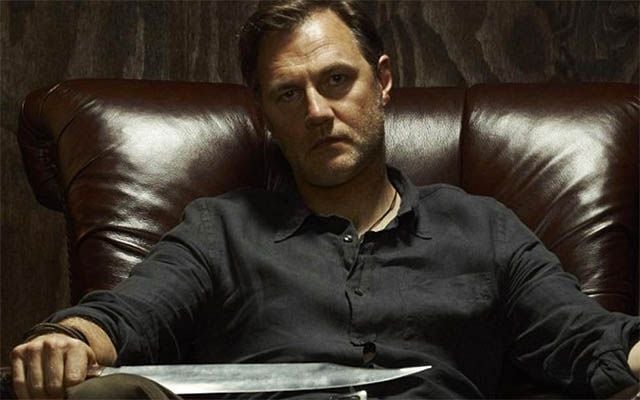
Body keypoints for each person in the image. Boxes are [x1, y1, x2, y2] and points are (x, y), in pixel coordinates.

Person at [10, 1, 640, 399]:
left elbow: (591, 340)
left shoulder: (483, 228)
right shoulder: (220, 231)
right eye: (288, 94)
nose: (316, 111)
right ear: (264, 116)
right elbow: (127, 315)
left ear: (382, 81)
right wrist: (71, 341)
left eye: (337, 80)